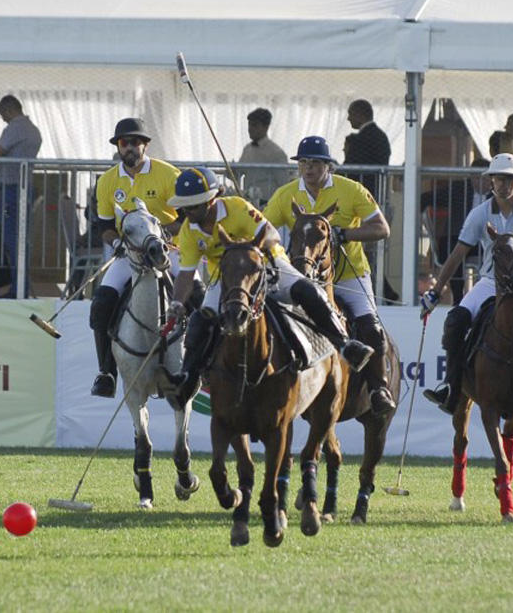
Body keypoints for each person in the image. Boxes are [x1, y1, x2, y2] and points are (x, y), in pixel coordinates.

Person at [166, 167, 374, 402]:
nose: (188, 212)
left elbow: (272, 234)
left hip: (267, 264)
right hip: (227, 278)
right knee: (200, 319)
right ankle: (188, 377)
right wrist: (176, 302)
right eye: (184, 207)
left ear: (212, 199)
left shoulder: (237, 208)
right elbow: (185, 274)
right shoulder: (188, 231)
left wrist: (249, 248)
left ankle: (345, 345)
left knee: (309, 291)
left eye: (193, 206)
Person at [421, 153, 513, 414]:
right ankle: (451, 386)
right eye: (497, 179)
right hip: (492, 282)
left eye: (508, 179)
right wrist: (435, 292)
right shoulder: (480, 214)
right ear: (491, 181)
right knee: (455, 321)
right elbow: (457, 254)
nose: (502, 184)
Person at [263, 136, 397, 416]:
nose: (308, 169)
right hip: (301, 278)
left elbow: (381, 228)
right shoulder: (286, 194)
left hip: (349, 275)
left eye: (314, 163)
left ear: (328, 166)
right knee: (269, 319)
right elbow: (263, 230)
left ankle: (378, 388)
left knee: (371, 327)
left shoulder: (352, 190)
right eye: (303, 163)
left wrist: (344, 234)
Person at [88, 118, 182, 398]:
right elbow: (104, 227)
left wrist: (159, 234)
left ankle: (201, 364)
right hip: (129, 255)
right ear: (118, 146)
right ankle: (106, 372)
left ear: (145, 145)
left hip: (170, 250)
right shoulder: (107, 181)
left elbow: (187, 218)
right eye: (123, 142)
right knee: (102, 303)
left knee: (198, 296)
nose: (128, 147)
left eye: (134, 142)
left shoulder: (168, 175)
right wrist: (117, 242)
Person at [0, 95, 43, 298]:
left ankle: (18, 289)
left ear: (7, 110)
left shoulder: (16, 127)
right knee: (19, 240)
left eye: (2, 114)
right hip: (23, 186)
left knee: (13, 241)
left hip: (13, 189)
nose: (3, 119)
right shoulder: (32, 129)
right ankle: (19, 286)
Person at [343, 99, 397, 302]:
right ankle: (385, 292)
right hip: (375, 199)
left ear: (360, 113)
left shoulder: (365, 138)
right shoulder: (378, 136)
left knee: (368, 253)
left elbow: (351, 168)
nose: (348, 118)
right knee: (370, 254)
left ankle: (384, 294)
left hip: (366, 204)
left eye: (350, 113)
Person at [420, 157, 491, 302]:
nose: (481, 182)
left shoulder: (498, 195)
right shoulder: (459, 189)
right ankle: (458, 298)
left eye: (485, 178)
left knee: (496, 251)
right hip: (460, 237)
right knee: (451, 249)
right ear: (471, 177)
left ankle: (485, 297)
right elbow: (426, 198)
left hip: (486, 239)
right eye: (476, 178)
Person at [238, 107, 288, 206]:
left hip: (268, 204)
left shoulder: (276, 153)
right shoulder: (247, 149)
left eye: (254, 125)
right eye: (249, 125)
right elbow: (238, 173)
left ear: (266, 127)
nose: (250, 129)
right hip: (249, 203)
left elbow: (284, 184)